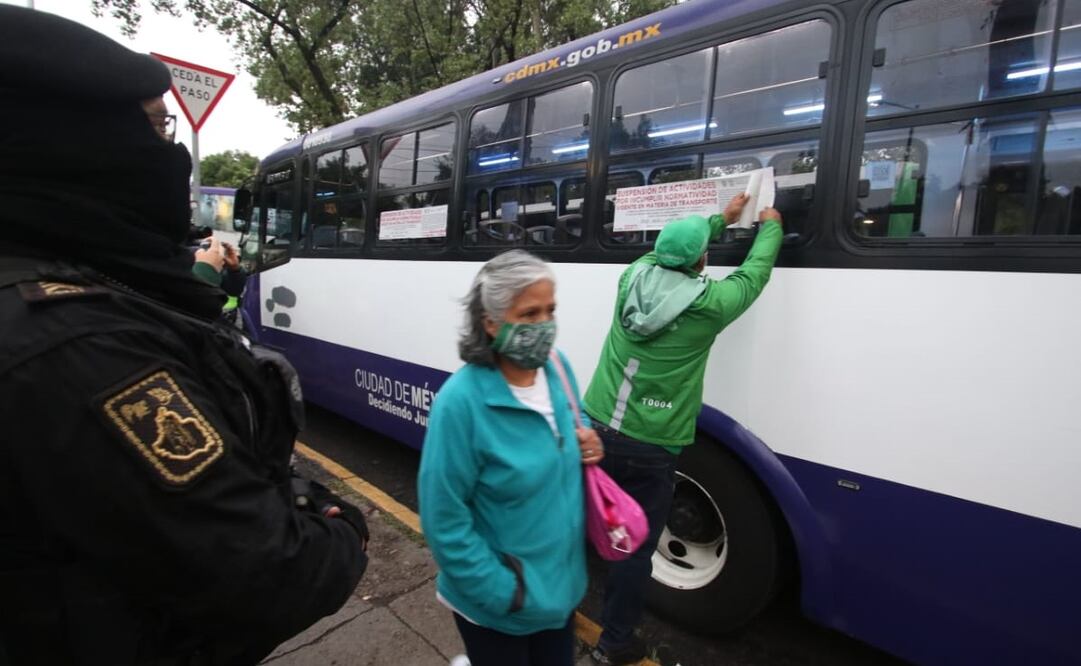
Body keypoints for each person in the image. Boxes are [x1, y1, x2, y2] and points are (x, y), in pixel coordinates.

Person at [0, 7, 368, 664]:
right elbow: (273, 572)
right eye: (150, 127)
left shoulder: (57, 291)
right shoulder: (79, 341)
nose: (165, 152)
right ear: (75, 144)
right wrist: (338, 524)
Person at [583, 193, 784, 665]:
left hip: (595, 427)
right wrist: (767, 225)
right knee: (634, 550)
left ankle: (545, 610)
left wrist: (718, 220)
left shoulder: (630, 278)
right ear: (701, 261)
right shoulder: (711, 304)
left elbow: (662, 253)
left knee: (583, 520)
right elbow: (753, 275)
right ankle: (614, 645)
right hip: (652, 443)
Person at [418, 250, 605, 666]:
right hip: (501, 605)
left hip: (559, 590)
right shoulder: (460, 403)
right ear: (490, 321)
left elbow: (575, 421)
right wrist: (503, 592)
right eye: (529, 314)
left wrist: (587, 440)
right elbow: (443, 516)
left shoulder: (558, 367)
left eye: (550, 311)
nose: (545, 326)